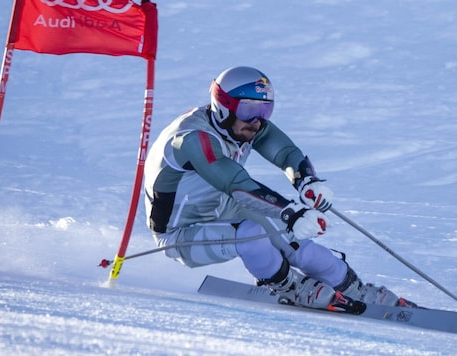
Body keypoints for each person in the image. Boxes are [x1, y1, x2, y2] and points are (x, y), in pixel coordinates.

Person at [144, 66, 416, 312]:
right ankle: (288, 285)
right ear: (223, 107)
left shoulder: (244, 125)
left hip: (222, 206)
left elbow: (286, 153)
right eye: (250, 110)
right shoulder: (192, 139)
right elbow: (235, 183)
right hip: (180, 233)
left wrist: (307, 181)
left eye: (265, 111)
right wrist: (291, 213)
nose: (257, 121)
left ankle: (352, 287)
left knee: (296, 244)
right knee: (251, 233)